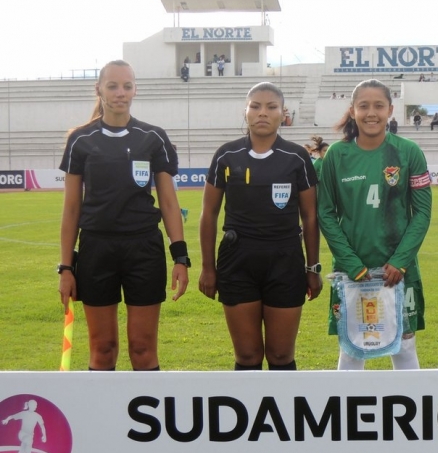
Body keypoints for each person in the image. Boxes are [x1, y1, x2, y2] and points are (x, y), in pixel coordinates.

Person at [58, 60, 188, 371]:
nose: (121, 93)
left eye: (127, 86)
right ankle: (102, 419)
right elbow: (72, 208)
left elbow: (169, 204)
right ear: (99, 89)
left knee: (143, 349)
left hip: (144, 249)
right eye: (113, 86)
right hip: (96, 250)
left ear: (135, 90)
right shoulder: (81, 140)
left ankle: (145, 419)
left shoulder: (153, 138)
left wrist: (180, 258)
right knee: (102, 349)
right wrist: (65, 267)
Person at [199, 82, 321, 371]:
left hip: (285, 259)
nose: (262, 112)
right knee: (248, 356)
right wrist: (207, 267)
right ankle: (249, 416)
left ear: (283, 113)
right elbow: (209, 213)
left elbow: (310, 217)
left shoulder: (297, 158)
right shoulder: (226, 155)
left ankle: (284, 416)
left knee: (281, 356)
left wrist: (312, 269)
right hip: (237, 259)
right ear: (246, 111)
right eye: (255, 106)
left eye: (271, 107)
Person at [318, 79, 432, 370]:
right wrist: (351, 264)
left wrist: (401, 261)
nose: (372, 113)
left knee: (405, 345)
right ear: (353, 110)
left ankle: (412, 413)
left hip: (399, 270)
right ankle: (347, 414)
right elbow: (326, 213)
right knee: (352, 347)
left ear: (390, 110)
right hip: (352, 271)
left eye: (379, 106)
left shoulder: (409, 152)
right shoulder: (336, 156)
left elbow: (421, 213)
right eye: (364, 106)